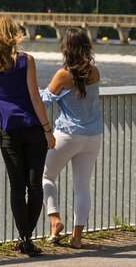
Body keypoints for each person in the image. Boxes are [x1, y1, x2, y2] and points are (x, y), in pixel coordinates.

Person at [0, 15, 56, 256]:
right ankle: (26, 238)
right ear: (13, 34)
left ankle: (24, 237)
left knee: (16, 187)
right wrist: (48, 131)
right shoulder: (26, 60)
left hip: (9, 131)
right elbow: (35, 98)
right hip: (33, 129)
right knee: (35, 186)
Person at [40, 28, 103, 249]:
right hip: (93, 136)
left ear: (66, 49)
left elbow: (44, 101)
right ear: (86, 47)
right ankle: (76, 238)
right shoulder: (94, 72)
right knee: (82, 186)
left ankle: (55, 220)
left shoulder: (63, 74)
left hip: (67, 135)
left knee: (45, 175)